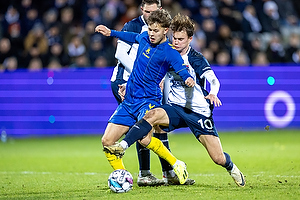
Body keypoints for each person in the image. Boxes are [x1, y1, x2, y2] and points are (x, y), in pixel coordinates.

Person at [104, 13, 246, 187]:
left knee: (218, 158)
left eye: (181, 39)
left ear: (190, 39)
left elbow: (212, 79)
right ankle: (130, 150)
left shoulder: (195, 58)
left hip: (198, 112)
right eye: (175, 38)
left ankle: (231, 167)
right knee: (152, 117)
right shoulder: (167, 51)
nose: (176, 41)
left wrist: (213, 92)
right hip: (175, 109)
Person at [95, 9, 195, 185]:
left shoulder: (169, 51)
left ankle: (176, 163)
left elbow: (180, 67)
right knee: (107, 141)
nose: (151, 33)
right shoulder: (143, 37)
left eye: (155, 30)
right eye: (149, 29)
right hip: (129, 101)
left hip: (148, 102)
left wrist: (187, 78)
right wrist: (111, 33)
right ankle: (123, 177)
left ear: (165, 30)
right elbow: (131, 37)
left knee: (145, 139)